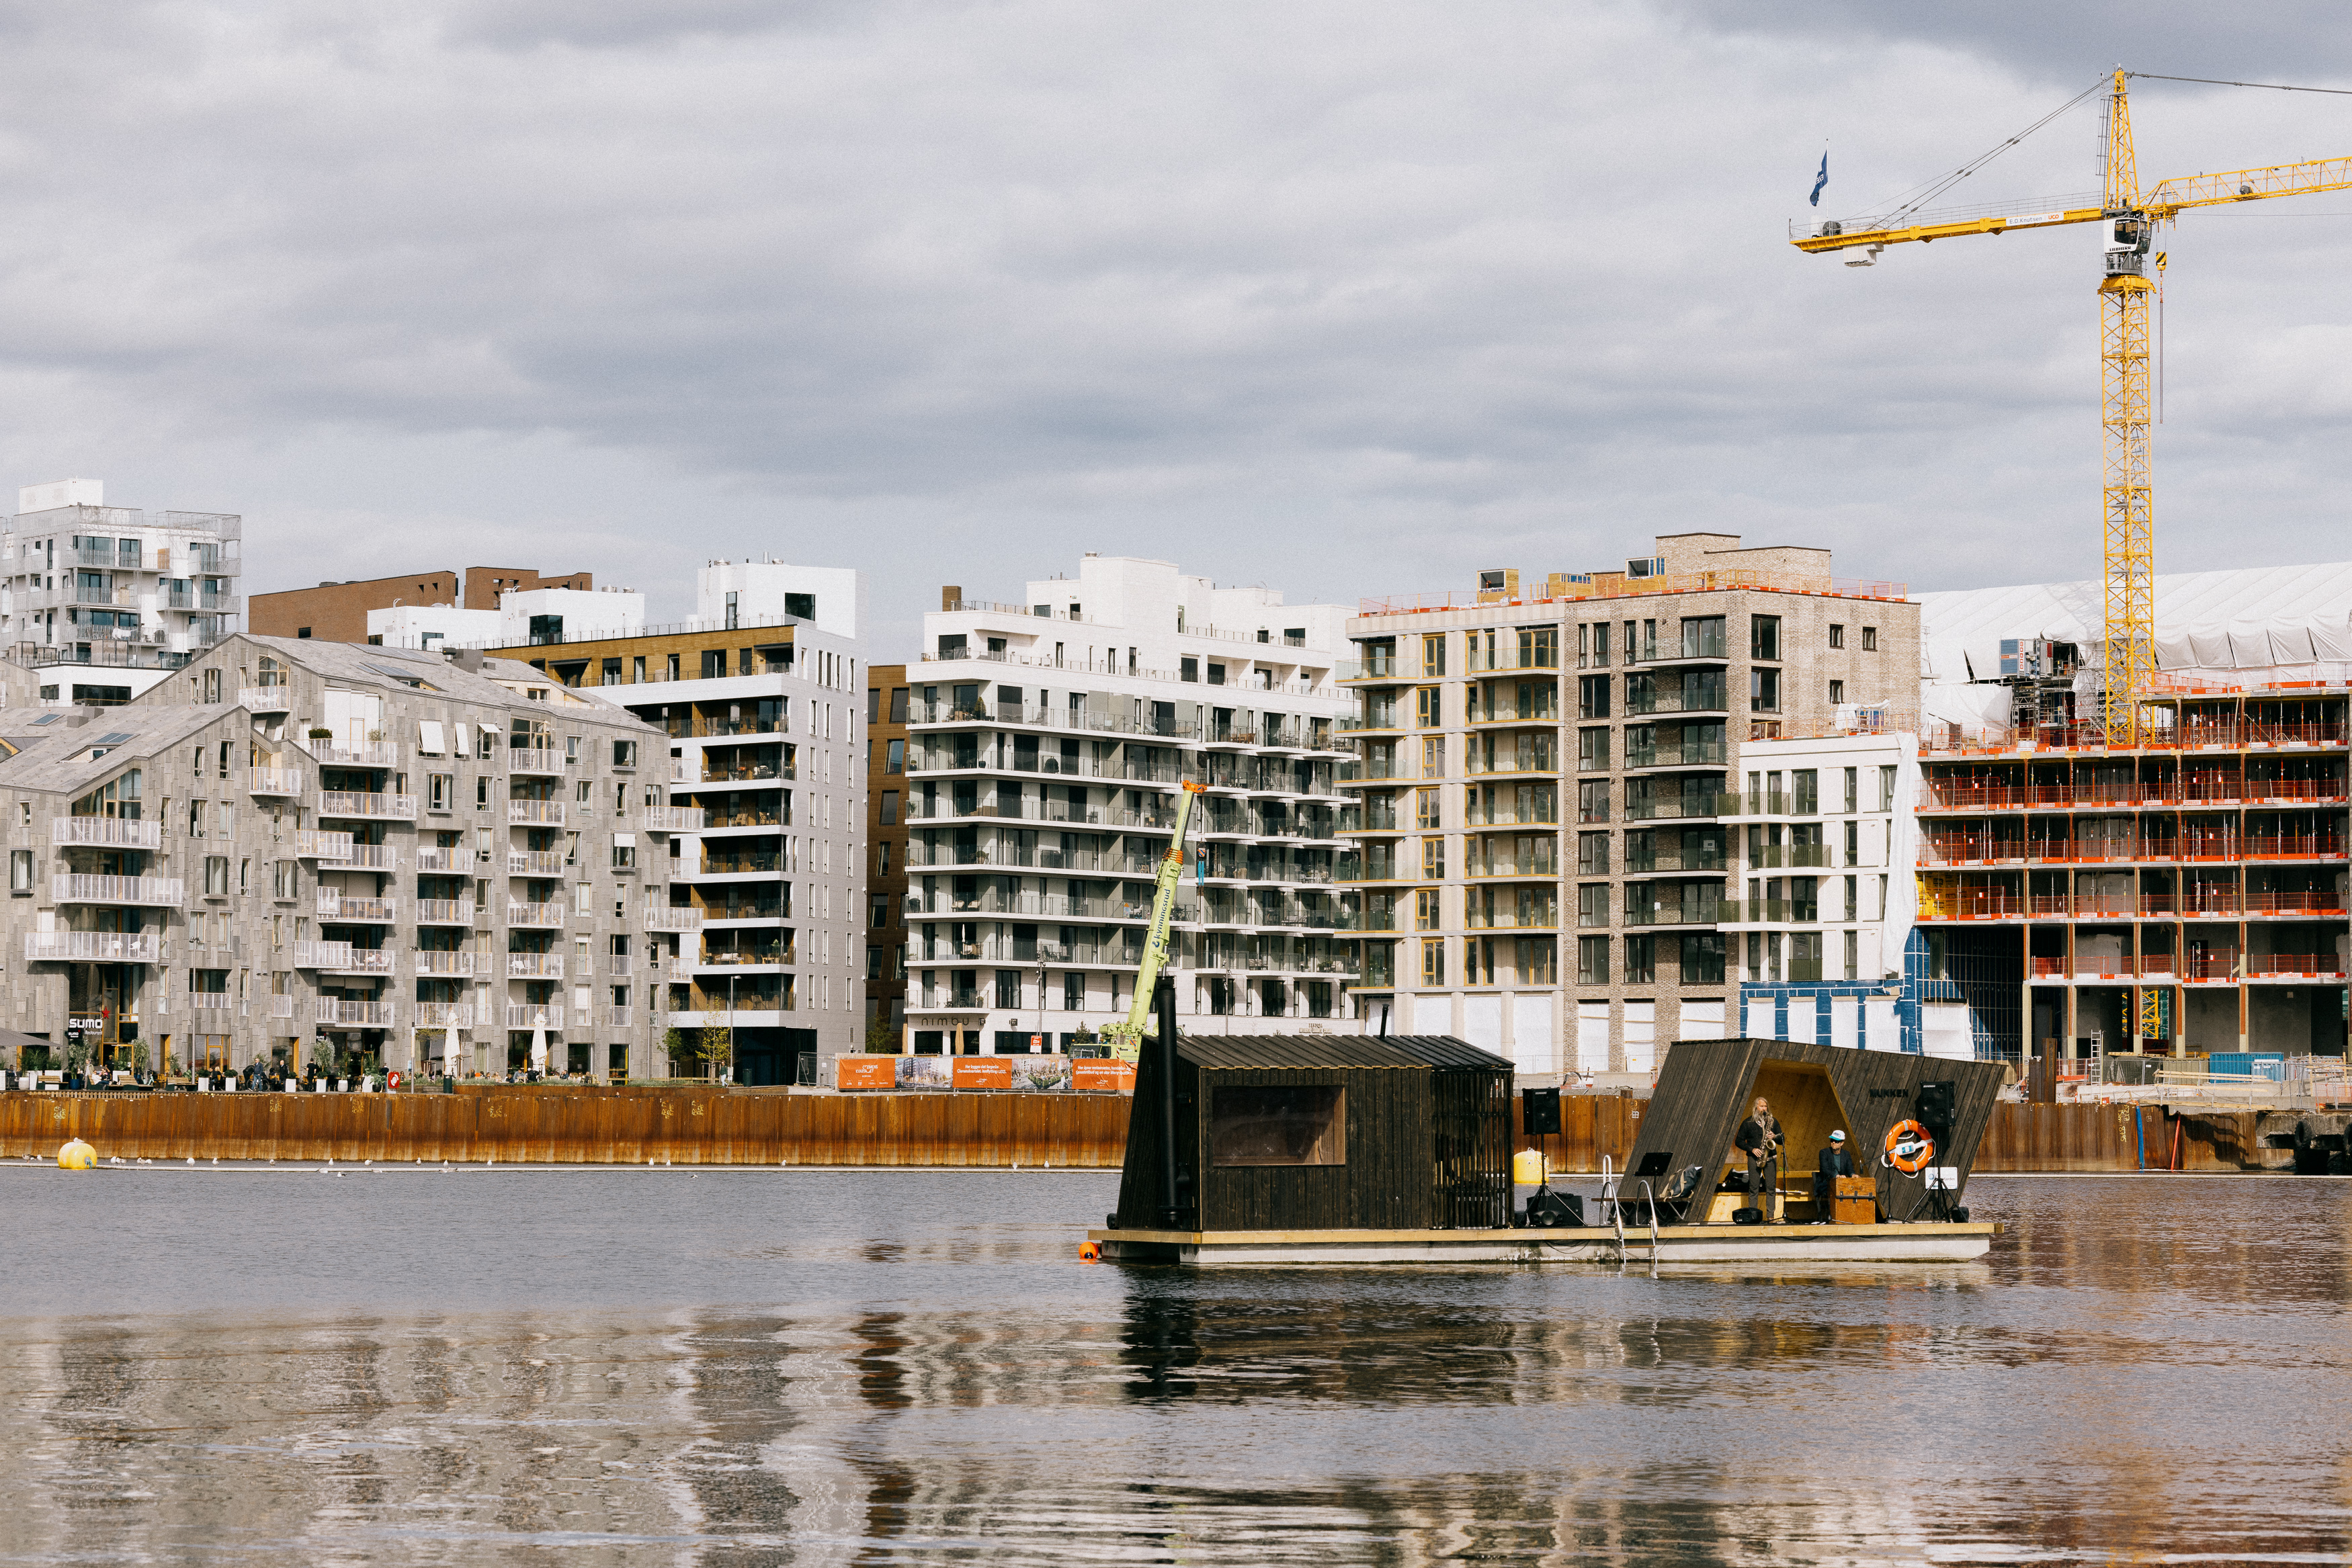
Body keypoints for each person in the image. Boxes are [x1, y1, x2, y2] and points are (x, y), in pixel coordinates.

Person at [1734, 1097, 1783, 1221]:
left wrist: (1775, 1136)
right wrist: (1752, 1149)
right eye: (1762, 1106)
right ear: (1756, 1107)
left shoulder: (1773, 1121)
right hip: (1754, 1158)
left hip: (1770, 1157)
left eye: (1766, 1106)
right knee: (1754, 1187)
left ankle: (1770, 1216)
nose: (1764, 1109)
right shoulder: (1748, 1123)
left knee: (1771, 1187)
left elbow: (1782, 1140)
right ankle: (1753, 1216)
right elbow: (1739, 1141)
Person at [1812, 1129, 1856, 1223]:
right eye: (1832, 1140)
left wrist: (1853, 1175)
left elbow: (1850, 1169)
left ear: (1842, 1143)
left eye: (1836, 1141)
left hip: (1841, 1185)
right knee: (1837, 1190)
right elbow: (1824, 1169)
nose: (1833, 1143)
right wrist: (1836, 1176)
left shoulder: (1846, 1154)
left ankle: (1849, 1216)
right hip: (1826, 1184)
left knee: (1854, 1189)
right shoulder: (1824, 1153)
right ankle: (1835, 1217)